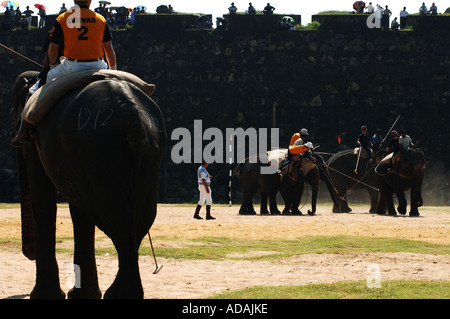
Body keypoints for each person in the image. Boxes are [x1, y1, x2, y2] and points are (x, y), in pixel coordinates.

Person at [11, 0, 117, 147]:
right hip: (98, 65)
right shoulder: (100, 19)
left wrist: (54, 65)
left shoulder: (63, 18)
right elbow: (109, 49)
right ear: (90, 1)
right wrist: (113, 70)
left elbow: (53, 48)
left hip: (72, 66)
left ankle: (23, 130)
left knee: (33, 90)